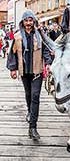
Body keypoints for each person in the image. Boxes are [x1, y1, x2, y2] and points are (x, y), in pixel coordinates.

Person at [7, 9, 52, 140]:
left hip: (37, 70)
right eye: (26, 20)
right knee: (28, 95)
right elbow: (13, 54)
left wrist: (48, 63)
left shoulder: (40, 35)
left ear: (33, 21)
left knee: (35, 96)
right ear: (23, 22)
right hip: (24, 71)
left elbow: (45, 51)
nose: (28, 23)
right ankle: (30, 112)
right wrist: (12, 69)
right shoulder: (17, 36)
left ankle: (33, 127)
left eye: (30, 20)